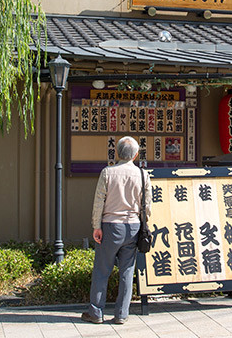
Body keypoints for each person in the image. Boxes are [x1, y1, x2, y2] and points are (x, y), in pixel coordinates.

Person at [83, 136, 151, 325]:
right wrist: (144, 224)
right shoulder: (143, 175)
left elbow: (99, 202)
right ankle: (121, 313)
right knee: (127, 271)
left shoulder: (107, 173)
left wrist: (96, 226)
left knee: (102, 270)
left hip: (110, 225)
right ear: (136, 155)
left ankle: (96, 312)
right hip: (133, 226)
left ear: (117, 153)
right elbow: (147, 205)